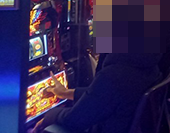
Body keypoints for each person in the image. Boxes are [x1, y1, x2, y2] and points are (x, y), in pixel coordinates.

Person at [33, 53, 162, 133]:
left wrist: (49, 116)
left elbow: (74, 120)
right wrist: (67, 93)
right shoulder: (148, 65)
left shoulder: (113, 75)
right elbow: (103, 95)